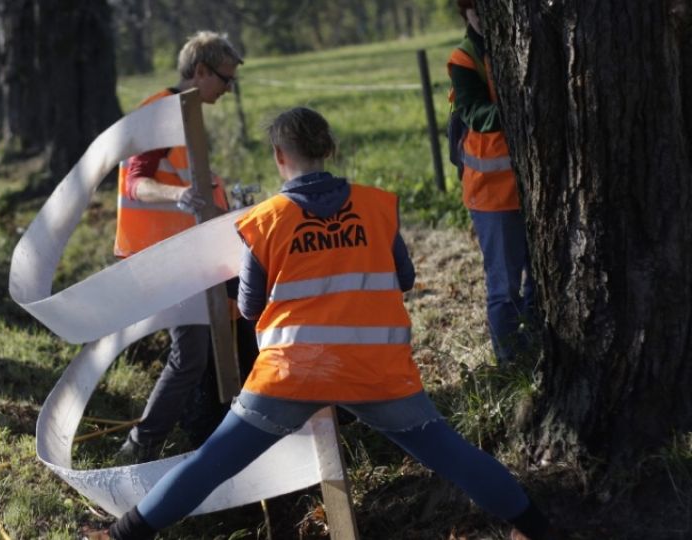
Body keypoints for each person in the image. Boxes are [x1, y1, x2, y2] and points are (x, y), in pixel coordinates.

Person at [100, 107, 553, 540]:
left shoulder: (265, 220)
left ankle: (120, 534)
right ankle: (538, 528)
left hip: (292, 374)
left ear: (279, 156)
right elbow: (406, 278)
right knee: (454, 457)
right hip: (377, 370)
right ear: (328, 148)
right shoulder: (376, 207)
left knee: (211, 464)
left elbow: (252, 307)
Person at [113, 31, 244, 462]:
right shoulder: (162, 112)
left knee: (219, 338)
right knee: (190, 355)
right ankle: (139, 448)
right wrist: (180, 196)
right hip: (164, 255)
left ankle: (219, 430)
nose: (229, 89)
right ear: (201, 71)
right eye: (225, 79)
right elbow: (137, 180)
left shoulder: (185, 112)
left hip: (189, 252)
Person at [447, 0, 536, 365]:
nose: (486, 18)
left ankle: (537, 350)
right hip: (492, 195)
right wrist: (522, 108)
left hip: (531, 190)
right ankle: (509, 363)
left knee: (540, 284)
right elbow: (474, 112)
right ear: (466, 12)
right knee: (505, 287)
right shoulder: (464, 59)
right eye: (477, 11)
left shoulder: (526, 39)